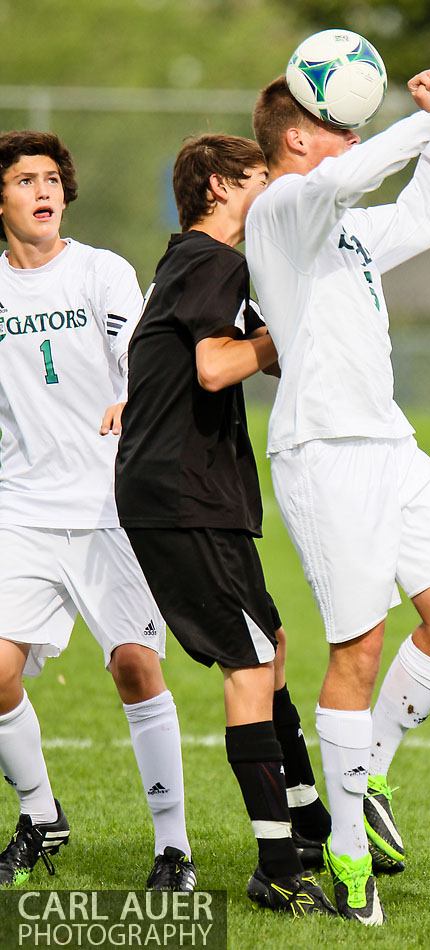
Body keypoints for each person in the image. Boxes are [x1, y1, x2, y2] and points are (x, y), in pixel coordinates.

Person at [245, 69, 430, 924]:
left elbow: (428, 217)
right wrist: (421, 130)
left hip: (391, 444)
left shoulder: (343, 228)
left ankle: (371, 769)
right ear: (296, 139)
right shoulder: (280, 211)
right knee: (358, 650)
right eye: (337, 125)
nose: (352, 136)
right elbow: (347, 175)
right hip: (324, 453)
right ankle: (347, 857)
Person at [114, 134, 334, 917]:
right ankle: (277, 862)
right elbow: (214, 366)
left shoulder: (192, 262)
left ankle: (309, 819)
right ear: (218, 185)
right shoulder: (212, 260)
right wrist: (286, 329)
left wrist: (285, 327)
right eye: (261, 181)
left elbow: (230, 356)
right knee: (247, 664)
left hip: (190, 492)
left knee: (266, 642)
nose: (271, 194)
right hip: (182, 495)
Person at [0, 131, 195, 891]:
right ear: (2, 199)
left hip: (112, 505)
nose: (44, 191)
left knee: (136, 668)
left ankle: (172, 848)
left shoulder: (101, 272)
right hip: (20, 508)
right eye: (25, 180)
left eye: (52, 178)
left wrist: (129, 393)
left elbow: (140, 359)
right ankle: (40, 814)